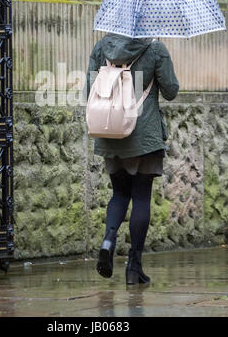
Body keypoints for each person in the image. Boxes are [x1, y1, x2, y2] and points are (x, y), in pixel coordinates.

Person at [85, 33, 179, 285]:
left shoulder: (102, 47)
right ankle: (134, 267)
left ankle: (108, 240)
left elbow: (89, 91)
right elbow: (171, 91)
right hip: (144, 136)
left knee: (119, 194)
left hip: (110, 133)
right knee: (140, 196)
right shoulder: (155, 49)